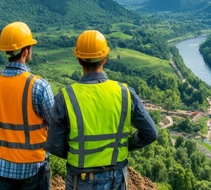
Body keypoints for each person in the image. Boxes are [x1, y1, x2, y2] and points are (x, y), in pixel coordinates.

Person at [46, 30, 158, 190]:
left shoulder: (66, 97)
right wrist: (125, 145)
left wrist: (79, 154)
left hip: (82, 178)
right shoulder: (125, 93)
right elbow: (150, 133)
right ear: (105, 58)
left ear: (78, 59)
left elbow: (54, 146)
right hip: (118, 176)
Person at [0, 22, 54, 190]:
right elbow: (55, 123)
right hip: (34, 167)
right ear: (26, 51)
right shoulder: (39, 86)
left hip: (2, 166)